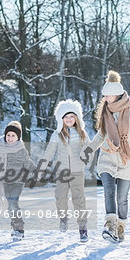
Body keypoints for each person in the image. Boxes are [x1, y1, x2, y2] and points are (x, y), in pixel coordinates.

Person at [80, 71, 130, 242]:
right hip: (107, 159)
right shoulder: (105, 111)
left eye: (108, 95)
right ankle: (110, 225)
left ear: (117, 94)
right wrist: (89, 150)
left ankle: (120, 227)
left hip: (127, 160)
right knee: (109, 191)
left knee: (122, 198)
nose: (105, 98)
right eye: (104, 95)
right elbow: (100, 135)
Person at [41, 100, 91, 242]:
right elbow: (49, 151)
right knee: (60, 197)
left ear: (77, 118)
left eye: (72, 117)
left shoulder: (82, 134)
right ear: (61, 119)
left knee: (79, 199)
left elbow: (89, 150)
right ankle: (63, 218)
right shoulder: (57, 134)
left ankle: (83, 227)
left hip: (77, 172)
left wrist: (85, 159)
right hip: (62, 172)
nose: (69, 120)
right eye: (66, 117)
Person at [0, 121, 36, 241]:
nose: (10, 138)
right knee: (10, 206)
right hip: (3, 180)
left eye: (13, 136)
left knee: (13, 203)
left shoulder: (21, 150)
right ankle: (15, 227)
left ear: (18, 137)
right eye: (8, 135)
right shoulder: (0, 147)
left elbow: (28, 163)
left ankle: (19, 229)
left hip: (18, 181)